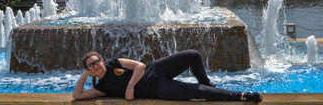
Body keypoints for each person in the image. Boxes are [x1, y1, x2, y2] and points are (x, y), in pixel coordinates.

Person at [73, 50, 262, 103]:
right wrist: (84, 75)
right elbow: (77, 96)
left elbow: (139, 66)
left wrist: (130, 86)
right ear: (89, 70)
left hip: (156, 69)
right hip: (158, 89)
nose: (96, 66)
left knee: (193, 56)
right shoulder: (102, 88)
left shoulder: (115, 63)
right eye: (90, 66)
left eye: (96, 61)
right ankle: (242, 96)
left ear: (102, 60)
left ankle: (209, 83)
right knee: (198, 92)